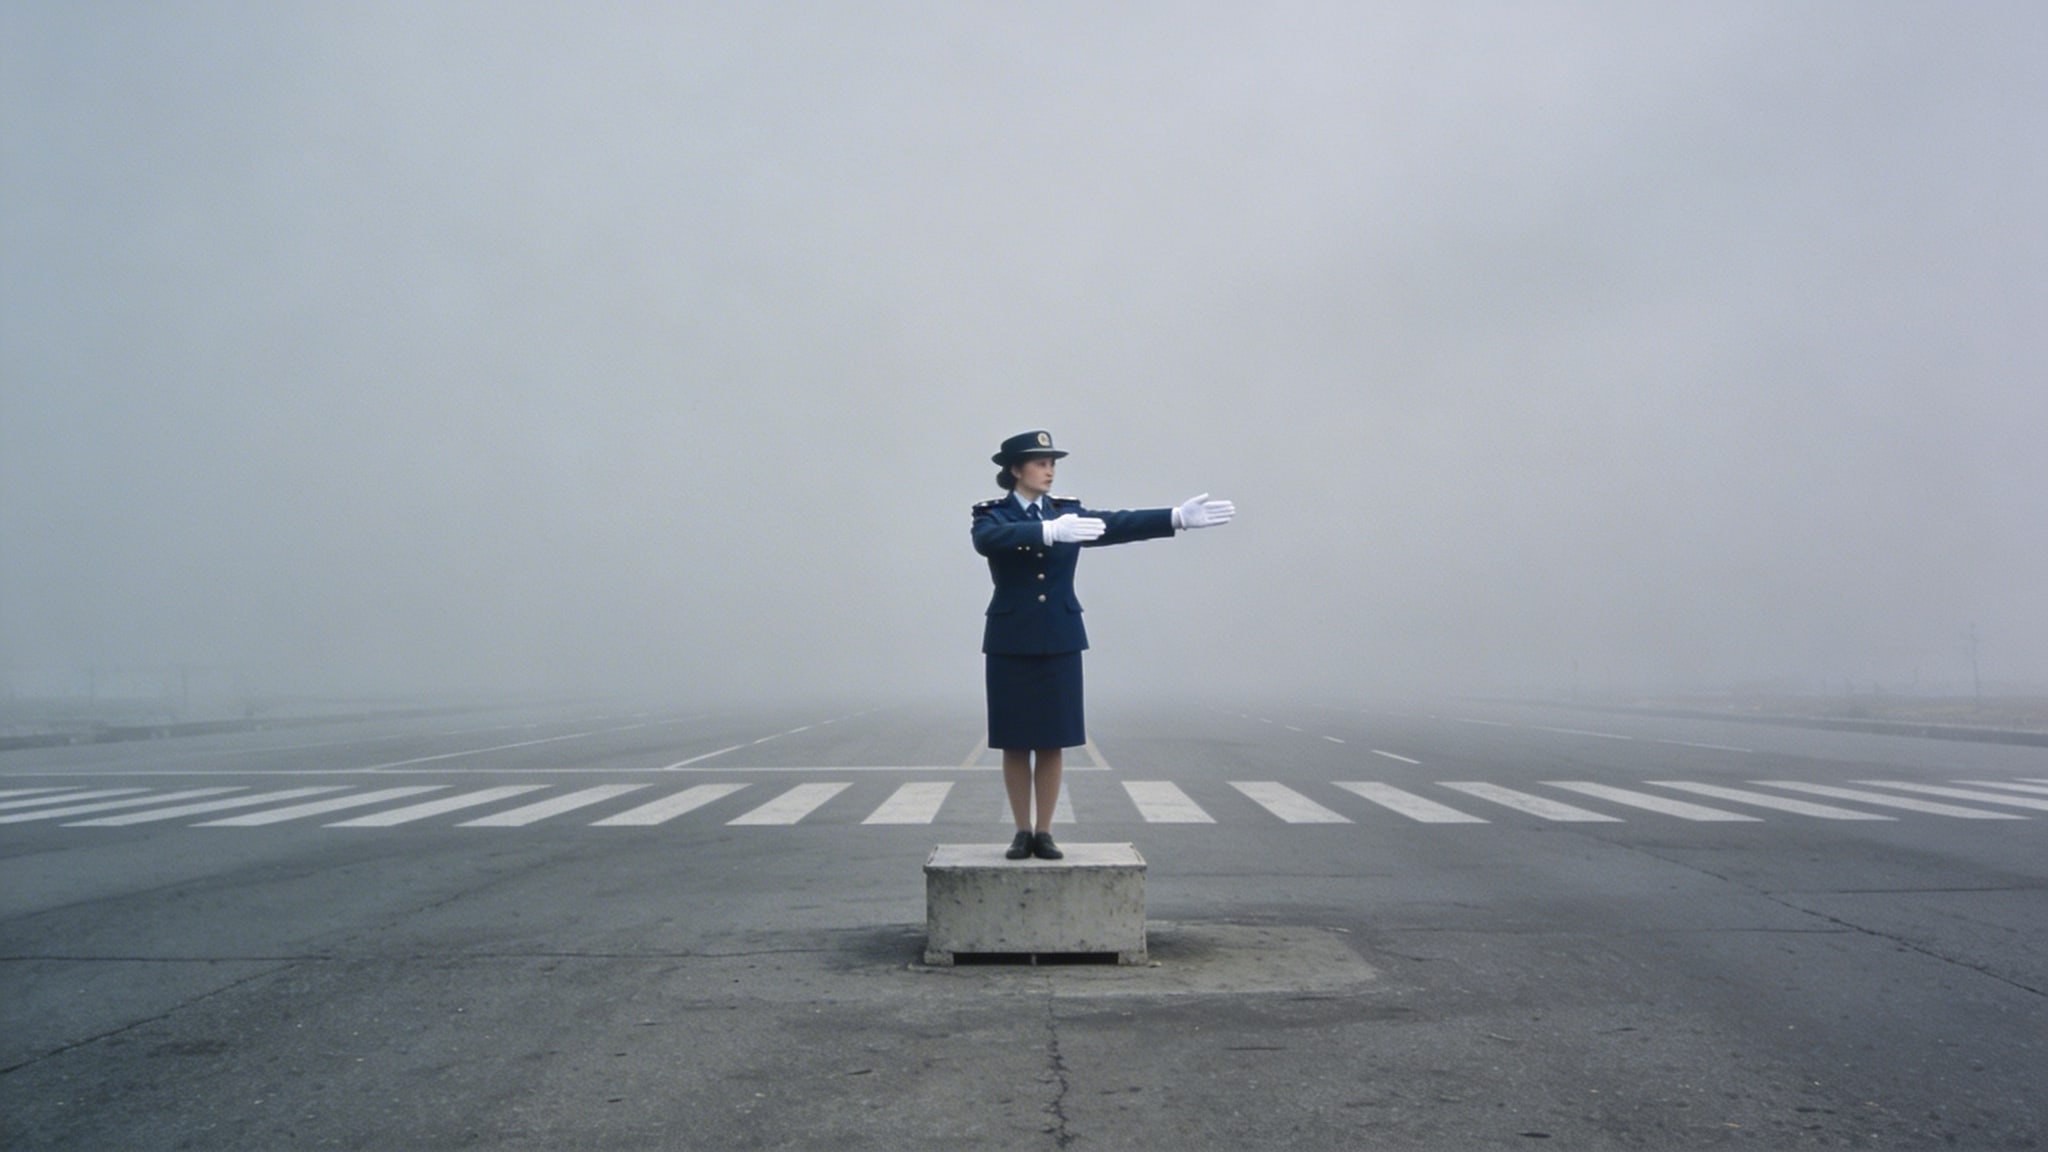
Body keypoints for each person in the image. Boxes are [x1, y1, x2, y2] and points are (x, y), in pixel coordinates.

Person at [972, 430, 1235, 860]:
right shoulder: (993, 515)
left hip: (1060, 634)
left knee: (1054, 738)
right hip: (1010, 638)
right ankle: (1021, 832)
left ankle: (1045, 831)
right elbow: (988, 541)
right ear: (1016, 470)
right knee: (1016, 740)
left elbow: (1117, 524)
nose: (1050, 469)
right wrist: (1047, 531)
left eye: (1053, 462)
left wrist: (1174, 517)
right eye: (1040, 462)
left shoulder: (1069, 513)